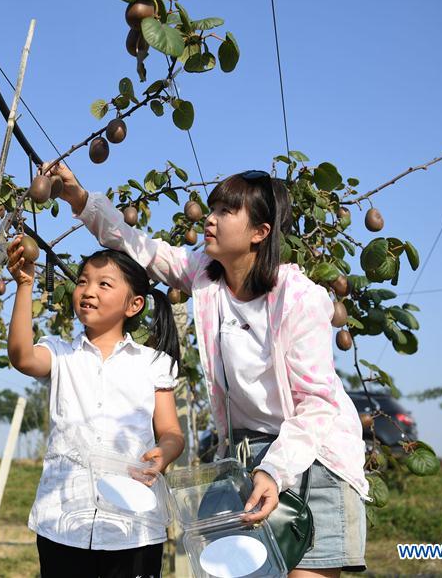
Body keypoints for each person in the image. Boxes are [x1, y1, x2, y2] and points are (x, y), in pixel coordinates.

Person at [46, 162, 370, 577]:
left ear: (260, 232)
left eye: (225, 212)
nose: (210, 219)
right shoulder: (205, 277)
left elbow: (318, 403)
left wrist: (275, 469)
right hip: (243, 456)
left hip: (314, 458)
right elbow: (139, 248)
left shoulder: (299, 297)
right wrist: (79, 198)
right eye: (212, 208)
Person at [7, 237, 185, 578]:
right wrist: (25, 285)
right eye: (83, 281)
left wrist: (165, 452)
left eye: (104, 284)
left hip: (132, 522)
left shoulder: (153, 363)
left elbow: (171, 432)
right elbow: (22, 357)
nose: (88, 291)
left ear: (133, 305)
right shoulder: (60, 354)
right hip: (63, 518)